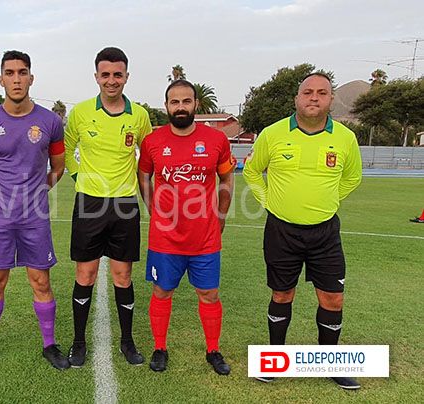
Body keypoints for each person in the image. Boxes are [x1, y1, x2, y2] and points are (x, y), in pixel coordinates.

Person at [243, 73, 363, 389]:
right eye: (307, 92)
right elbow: (253, 173)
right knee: (282, 294)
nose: (314, 98)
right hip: (281, 231)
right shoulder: (273, 134)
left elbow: (352, 178)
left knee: (333, 299)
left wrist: (327, 201)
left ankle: (329, 363)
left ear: (331, 99)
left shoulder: (345, 139)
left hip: (325, 233)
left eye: (321, 93)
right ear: (297, 98)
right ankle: (274, 361)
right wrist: (270, 202)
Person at [0, 50, 69, 370]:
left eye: (22, 72)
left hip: (34, 218)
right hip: (0, 218)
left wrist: (39, 192)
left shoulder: (50, 121)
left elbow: (59, 167)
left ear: (31, 78)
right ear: (1, 79)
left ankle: (50, 345)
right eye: (9, 73)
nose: (16, 79)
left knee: (40, 281)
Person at [138, 80, 236, 374]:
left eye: (186, 101)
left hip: (205, 237)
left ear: (196, 104)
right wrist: (153, 208)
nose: (180, 107)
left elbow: (227, 180)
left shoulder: (216, 140)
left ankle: (213, 350)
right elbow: (144, 177)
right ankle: (159, 348)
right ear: (166, 106)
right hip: (165, 238)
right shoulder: (153, 142)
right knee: (162, 292)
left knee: (210, 295)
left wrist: (221, 214)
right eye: (174, 102)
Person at [64, 47, 152, 367]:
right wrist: (79, 178)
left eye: (118, 74)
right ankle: (78, 342)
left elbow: (149, 157)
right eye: (106, 74)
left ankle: (127, 342)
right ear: (96, 77)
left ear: (126, 76)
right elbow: (66, 149)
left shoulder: (140, 116)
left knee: (123, 276)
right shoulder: (81, 112)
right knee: (85, 274)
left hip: (125, 204)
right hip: (89, 202)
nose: (112, 80)